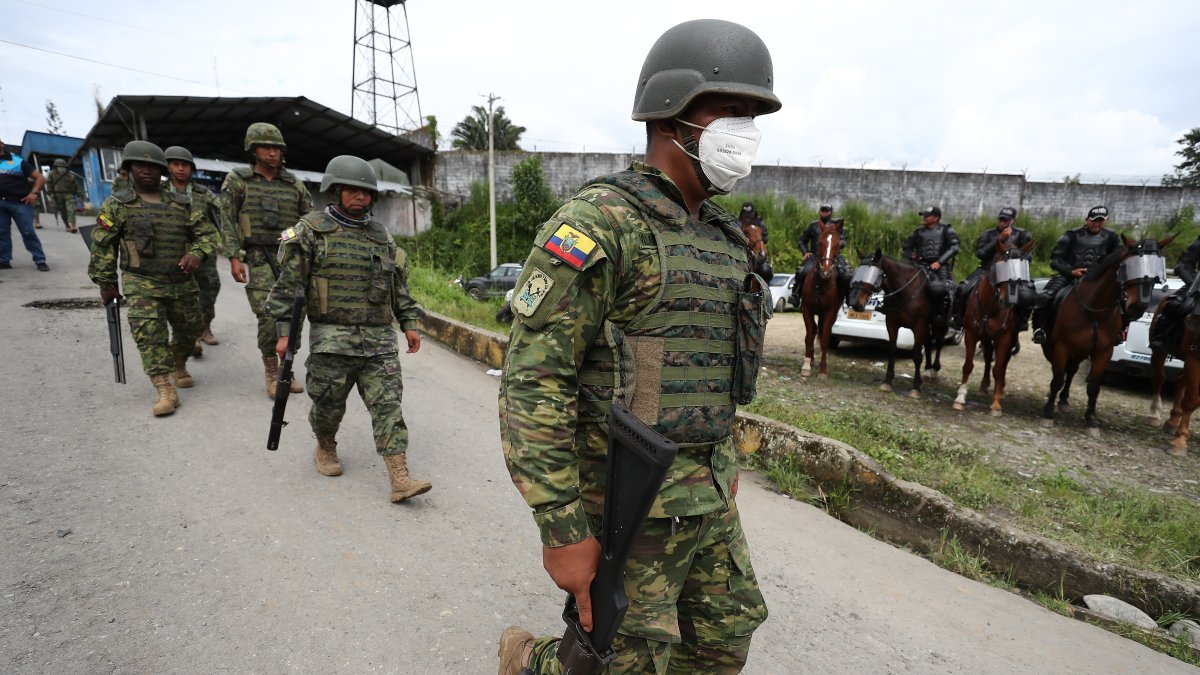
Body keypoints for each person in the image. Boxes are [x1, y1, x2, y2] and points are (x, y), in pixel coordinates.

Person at [497, 18, 776, 674]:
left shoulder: (723, 237)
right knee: (623, 662)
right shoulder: (597, 226)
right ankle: (530, 660)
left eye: (752, 114)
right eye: (729, 110)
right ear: (672, 111)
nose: (745, 130)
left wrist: (723, 464)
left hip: (706, 493)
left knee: (722, 640)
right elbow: (533, 382)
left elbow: (715, 369)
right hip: (629, 496)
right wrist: (563, 528)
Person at [264, 155, 431, 503]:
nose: (359, 198)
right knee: (328, 406)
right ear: (336, 189)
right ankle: (325, 445)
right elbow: (289, 288)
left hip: (379, 342)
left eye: (366, 192)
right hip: (331, 340)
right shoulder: (310, 231)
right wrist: (285, 334)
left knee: (388, 406)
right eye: (352, 190)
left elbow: (398, 286)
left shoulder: (381, 236)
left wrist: (409, 323)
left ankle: (400, 476)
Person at [87, 141, 219, 415]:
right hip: (141, 282)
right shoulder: (117, 205)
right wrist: (107, 283)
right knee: (149, 335)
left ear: (161, 170)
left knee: (190, 330)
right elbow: (102, 246)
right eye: (140, 165)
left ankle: (178, 362)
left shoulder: (183, 204)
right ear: (128, 169)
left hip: (181, 281)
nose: (146, 171)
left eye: (152, 166)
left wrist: (197, 253)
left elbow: (207, 235)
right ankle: (165, 389)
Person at [220, 122, 314, 397]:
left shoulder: (293, 183)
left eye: (276, 148)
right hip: (258, 257)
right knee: (269, 316)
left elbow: (309, 219)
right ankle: (273, 372)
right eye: (266, 147)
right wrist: (234, 257)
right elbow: (227, 220)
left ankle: (287, 368)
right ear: (254, 150)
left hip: (291, 257)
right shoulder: (239, 181)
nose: (272, 153)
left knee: (295, 314)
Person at [165, 146, 224, 355]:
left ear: (191, 168)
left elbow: (222, 216)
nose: (181, 169)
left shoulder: (203, 194)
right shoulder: (160, 192)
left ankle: (205, 328)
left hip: (205, 253)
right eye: (176, 164)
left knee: (209, 289)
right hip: (173, 252)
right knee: (180, 296)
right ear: (169, 167)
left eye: (185, 165)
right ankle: (189, 335)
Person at [1031, 206, 1121, 344]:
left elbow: (1116, 259)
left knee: (1123, 299)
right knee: (1046, 295)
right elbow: (1055, 260)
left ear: (1106, 221)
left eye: (1100, 221)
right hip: (1070, 275)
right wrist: (1071, 272)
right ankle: (1039, 329)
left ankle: (1118, 331)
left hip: (1098, 279)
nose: (1096, 224)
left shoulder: (1112, 237)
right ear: (1087, 219)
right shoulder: (1072, 235)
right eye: (1094, 220)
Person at [950, 207, 1033, 331]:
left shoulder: (1022, 234)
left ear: (1013, 221)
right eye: (1000, 219)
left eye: (1006, 220)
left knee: (1027, 294)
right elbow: (980, 253)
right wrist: (998, 239)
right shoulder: (988, 234)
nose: (1002, 222)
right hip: (986, 270)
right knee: (963, 288)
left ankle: (1021, 321)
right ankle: (958, 318)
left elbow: (1028, 257)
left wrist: (1015, 251)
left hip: (1012, 272)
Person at [902, 205, 960, 322]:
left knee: (945, 289)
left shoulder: (946, 230)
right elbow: (906, 248)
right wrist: (912, 256)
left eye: (927, 216)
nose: (924, 218)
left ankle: (944, 317)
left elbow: (955, 247)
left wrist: (939, 262)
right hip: (920, 265)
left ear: (936, 218)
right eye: (924, 215)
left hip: (940, 266)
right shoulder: (918, 232)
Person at [0, 137, 49, 271]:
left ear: (2, 144)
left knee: (28, 232)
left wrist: (34, 193)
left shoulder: (17, 161)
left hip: (19, 203)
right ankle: (4, 260)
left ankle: (40, 260)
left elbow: (40, 178)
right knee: (2, 233)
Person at [1148, 234, 1200, 352]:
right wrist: (1194, 284)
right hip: (1197, 286)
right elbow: (1182, 266)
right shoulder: (1198, 244)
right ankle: (1162, 338)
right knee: (1173, 305)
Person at [792, 204, 851, 304]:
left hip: (834, 256)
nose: (823, 212)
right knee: (801, 272)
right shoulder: (813, 225)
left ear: (830, 212)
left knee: (847, 275)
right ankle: (796, 295)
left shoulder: (837, 225)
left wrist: (836, 244)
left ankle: (848, 297)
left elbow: (844, 241)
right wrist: (806, 252)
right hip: (816, 256)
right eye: (822, 210)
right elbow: (802, 241)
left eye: (826, 211)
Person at [46, 158, 84, 233]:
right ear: (56, 167)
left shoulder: (70, 175)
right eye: (60, 167)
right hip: (57, 195)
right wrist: (50, 194)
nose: (62, 168)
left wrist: (80, 194)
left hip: (68, 194)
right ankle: (67, 225)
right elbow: (49, 184)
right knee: (63, 212)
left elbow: (76, 185)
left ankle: (72, 225)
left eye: (63, 167)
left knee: (71, 209)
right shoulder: (51, 174)